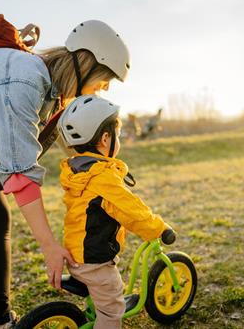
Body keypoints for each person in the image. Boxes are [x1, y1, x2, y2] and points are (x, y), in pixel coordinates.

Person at [0, 19, 130, 328]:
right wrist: (49, 247)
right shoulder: (24, 80)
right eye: (104, 80)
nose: (104, 89)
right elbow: (19, 174)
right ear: (87, 65)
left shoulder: (50, 89)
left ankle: (0, 321)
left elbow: (69, 147)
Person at [57, 95, 171, 329]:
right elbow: (131, 210)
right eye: (117, 134)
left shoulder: (77, 169)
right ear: (106, 138)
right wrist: (158, 228)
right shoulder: (102, 177)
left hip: (77, 253)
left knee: (104, 296)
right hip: (94, 261)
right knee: (112, 310)